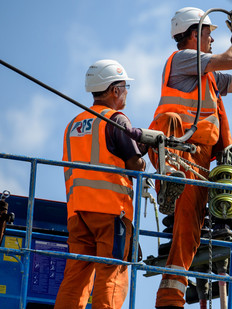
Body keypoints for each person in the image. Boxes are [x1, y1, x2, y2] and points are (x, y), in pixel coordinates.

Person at [148, 7, 232, 309]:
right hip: (176, 147)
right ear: (195, 33)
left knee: (189, 233)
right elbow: (231, 58)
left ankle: (170, 298)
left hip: (199, 162)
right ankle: (169, 179)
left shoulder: (209, 76)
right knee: (167, 119)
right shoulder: (182, 59)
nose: (211, 39)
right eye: (209, 33)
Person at [55, 59, 146, 309]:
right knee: (111, 273)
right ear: (114, 90)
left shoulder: (73, 125)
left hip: (77, 213)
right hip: (110, 212)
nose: (126, 91)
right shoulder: (116, 119)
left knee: (75, 276)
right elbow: (135, 166)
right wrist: (143, 152)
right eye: (125, 86)